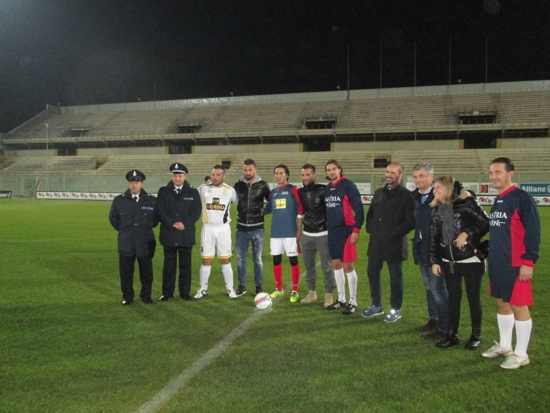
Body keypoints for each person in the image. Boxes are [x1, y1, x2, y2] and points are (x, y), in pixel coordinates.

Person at [482, 157, 540, 369]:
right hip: (497, 262)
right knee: (502, 303)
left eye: (498, 172)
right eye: (491, 173)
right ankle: (505, 345)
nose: (493, 177)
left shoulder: (522, 198)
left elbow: (533, 232)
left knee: (518, 306)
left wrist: (528, 261)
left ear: (510, 173)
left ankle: (521, 354)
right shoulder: (498, 200)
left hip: (516, 264)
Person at [429, 176, 489, 349]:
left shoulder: (466, 204)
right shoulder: (437, 210)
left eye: (438, 187)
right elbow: (433, 238)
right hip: (449, 262)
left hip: (471, 259)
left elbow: (486, 222)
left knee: (473, 298)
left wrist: (467, 233)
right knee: (453, 299)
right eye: (434, 187)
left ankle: (476, 335)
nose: (435, 191)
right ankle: (452, 334)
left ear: (448, 188)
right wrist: (434, 260)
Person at [363, 162, 415, 322]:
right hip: (376, 243)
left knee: (395, 278)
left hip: (394, 244)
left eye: (393, 173)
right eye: (387, 172)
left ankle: (395, 309)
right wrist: (370, 229)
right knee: (372, 273)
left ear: (400, 175)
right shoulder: (379, 192)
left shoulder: (406, 195)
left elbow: (411, 221)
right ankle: (376, 305)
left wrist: (393, 234)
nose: (388, 175)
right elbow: (371, 214)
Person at [411, 162, 449, 340]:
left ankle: (445, 327)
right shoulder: (414, 196)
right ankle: (434, 319)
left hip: (436, 252)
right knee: (429, 287)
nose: (417, 179)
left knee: (437, 288)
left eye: (421, 176)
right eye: (415, 176)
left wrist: (468, 194)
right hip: (421, 249)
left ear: (431, 177)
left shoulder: (440, 195)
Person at [109, 170, 158, 305]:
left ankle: (146, 296)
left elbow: (155, 220)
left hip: (145, 241)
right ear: (128, 183)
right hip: (126, 242)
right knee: (126, 273)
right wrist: (125, 230)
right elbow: (113, 219)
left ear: (142, 184)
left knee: (146, 272)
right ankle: (127, 297)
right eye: (131, 182)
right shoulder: (119, 201)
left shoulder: (152, 200)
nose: (134, 184)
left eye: (137, 182)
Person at [324, 160, 364, 315]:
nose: (331, 171)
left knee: (348, 266)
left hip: (346, 230)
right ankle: (341, 299)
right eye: (328, 170)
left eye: (334, 169)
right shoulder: (328, 188)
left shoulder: (348, 185)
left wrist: (356, 230)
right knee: (336, 265)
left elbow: (359, 209)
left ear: (339, 169)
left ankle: (353, 301)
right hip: (333, 231)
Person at [156, 163, 201, 302]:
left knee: (185, 266)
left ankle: (185, 293)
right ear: (172, 176)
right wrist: (172, 223)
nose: (177, 178)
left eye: (180, 176)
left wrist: (184, 224)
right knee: (168, 266)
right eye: (175, 175)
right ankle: (167, 293)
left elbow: (196, 211)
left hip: (185, 234)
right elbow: (160, 210)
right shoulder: (163, 191)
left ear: (184, 176)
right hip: (169, 233)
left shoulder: (193, 192)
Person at [195, 165, 238, 299]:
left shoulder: (230, 191)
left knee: (225, 259)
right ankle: (203, 289)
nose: (215, 177)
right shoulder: (202, 189)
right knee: (206, 259)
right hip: (207, 228)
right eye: (213, 174)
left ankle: (230, 288)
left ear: (223, 176)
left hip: (223, 229)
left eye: (218, 175)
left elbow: (239, 204)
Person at [298, 163, 336, 307]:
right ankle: (312, 293)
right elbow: (299, 211)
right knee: (309, 266)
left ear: (314, 175)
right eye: (303, 175)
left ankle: (329, 295)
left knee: (327, 267)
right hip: (307, 234)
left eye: (308, 174)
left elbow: (331, 209)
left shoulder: (323, 190)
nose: (305, 177)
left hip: (323, 233)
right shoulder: (300, 192)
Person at [265, 164, 303, 302]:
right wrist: (257, 211)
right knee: (276, 260)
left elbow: (300, 208)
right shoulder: (273, 192)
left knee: (293, 260)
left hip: (290, 232)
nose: (278, 175)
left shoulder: (293, 190)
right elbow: (268, 209)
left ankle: (295, 290)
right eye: (276, 173)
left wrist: (299, 229)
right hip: (275, 233)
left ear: (287, 175)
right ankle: (278, 288)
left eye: (281, 173)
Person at [233, 158, 271, 296]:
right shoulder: (238, 185)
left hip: (257, 228)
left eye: (250, 169)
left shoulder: (263, 185)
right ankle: (242, 285)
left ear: (255, 170)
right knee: (240, 259)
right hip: (241, 228)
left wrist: (265, 211)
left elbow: (272, 201)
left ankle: (258, 286)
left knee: (257, 259)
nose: (247, 172)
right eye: (245, 170)